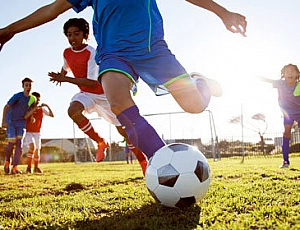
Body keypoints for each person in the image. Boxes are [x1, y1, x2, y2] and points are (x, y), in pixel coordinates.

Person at [0, 0, 247, 160]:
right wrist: (9, 29)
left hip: (153, 50)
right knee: (118, 103)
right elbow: (52, 10)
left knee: (195, 106)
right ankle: (161, 160)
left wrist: (222, 12)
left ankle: (198, 82)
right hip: (113, 54)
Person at [48, 18, 148, 173]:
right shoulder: (66, 53)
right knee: (73, 110)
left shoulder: (91, 53)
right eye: (69, 35)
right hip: (86, 94)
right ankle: (100, 142)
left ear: (85, 35)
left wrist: (65, 79)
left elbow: (90, 82)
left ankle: (142, 161)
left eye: (76, 34)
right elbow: (65, 67)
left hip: (104, 94)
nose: (72, 38)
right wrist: (60, 75)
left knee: (123, 131)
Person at [260, 64, 300, 168]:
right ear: (283, 74)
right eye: (287, 71)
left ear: (297, 74)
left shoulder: (299, 85)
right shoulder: (280, 84)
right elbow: (267, 80)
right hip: (287, 113)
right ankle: (285, 161)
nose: (290, 73)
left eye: (292, 71)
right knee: (286, 133)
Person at [2, 77, 36, 174]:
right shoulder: (17, 96)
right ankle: (7, 161)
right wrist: (3, 121)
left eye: (30, 85)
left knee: (19, 144)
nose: (28, 87)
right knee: (12, 141)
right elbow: (6, 107)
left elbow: (30, 109)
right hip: (11, 121)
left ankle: (15, 167)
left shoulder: (32, 98)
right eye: (26, 85)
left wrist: (31, 117)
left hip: (21, 123)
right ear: (23, 86)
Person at [23, 92, 54, 174]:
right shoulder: (28, 109)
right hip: (29, 132)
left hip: (37, 132)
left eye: (39, 100)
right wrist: (32, 113)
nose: (37, 101)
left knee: (37, 149)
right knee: (32, 147)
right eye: (36, 99)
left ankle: (36, 167)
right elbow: (25, 117)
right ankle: (29, 167)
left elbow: (52, 115)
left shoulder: (41, 110)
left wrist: (47, 106)